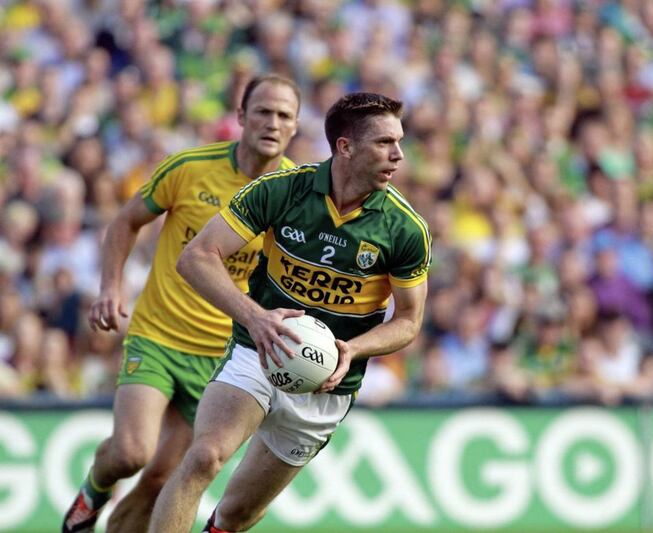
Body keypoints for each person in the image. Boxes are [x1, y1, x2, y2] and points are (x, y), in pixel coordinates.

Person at [148, 92, 430, 533]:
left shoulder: (405, 229)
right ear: (345, 147)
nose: (398, 154)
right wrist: (255, 318)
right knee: (204, 457)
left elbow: (409, 320)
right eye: (384, 143)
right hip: (259, 349)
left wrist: (351, 351)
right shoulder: (282, 190)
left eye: (399, 142)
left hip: (328, 385)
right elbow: (197, 256)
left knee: (237, 515)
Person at [62, 73, 301, 533]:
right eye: (263, 112)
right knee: (132, 452)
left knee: (162, 478)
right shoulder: (190, 167)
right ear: (241, 117)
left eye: (283, 115)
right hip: (157, 333)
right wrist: (111, 287)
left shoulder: (293, 194)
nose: (272, 123)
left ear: (295, 126)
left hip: (220, 357)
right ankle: (93, 491)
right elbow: (124, 222)